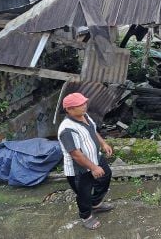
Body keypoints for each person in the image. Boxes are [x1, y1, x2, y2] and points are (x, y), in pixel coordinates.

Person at [57, 92, 114, 230]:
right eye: (79, 105)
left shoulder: (85, 116)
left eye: (84, 103)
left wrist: (103, 144)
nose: (84, 106)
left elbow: (92, 131)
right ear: (69, 109)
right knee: (84, 194)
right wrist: (94, 168)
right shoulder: (67, 129)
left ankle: (96, 204)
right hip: (79, 169)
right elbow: (76, 155)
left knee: (106, 175)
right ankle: (86, 216)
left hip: (95, 158)